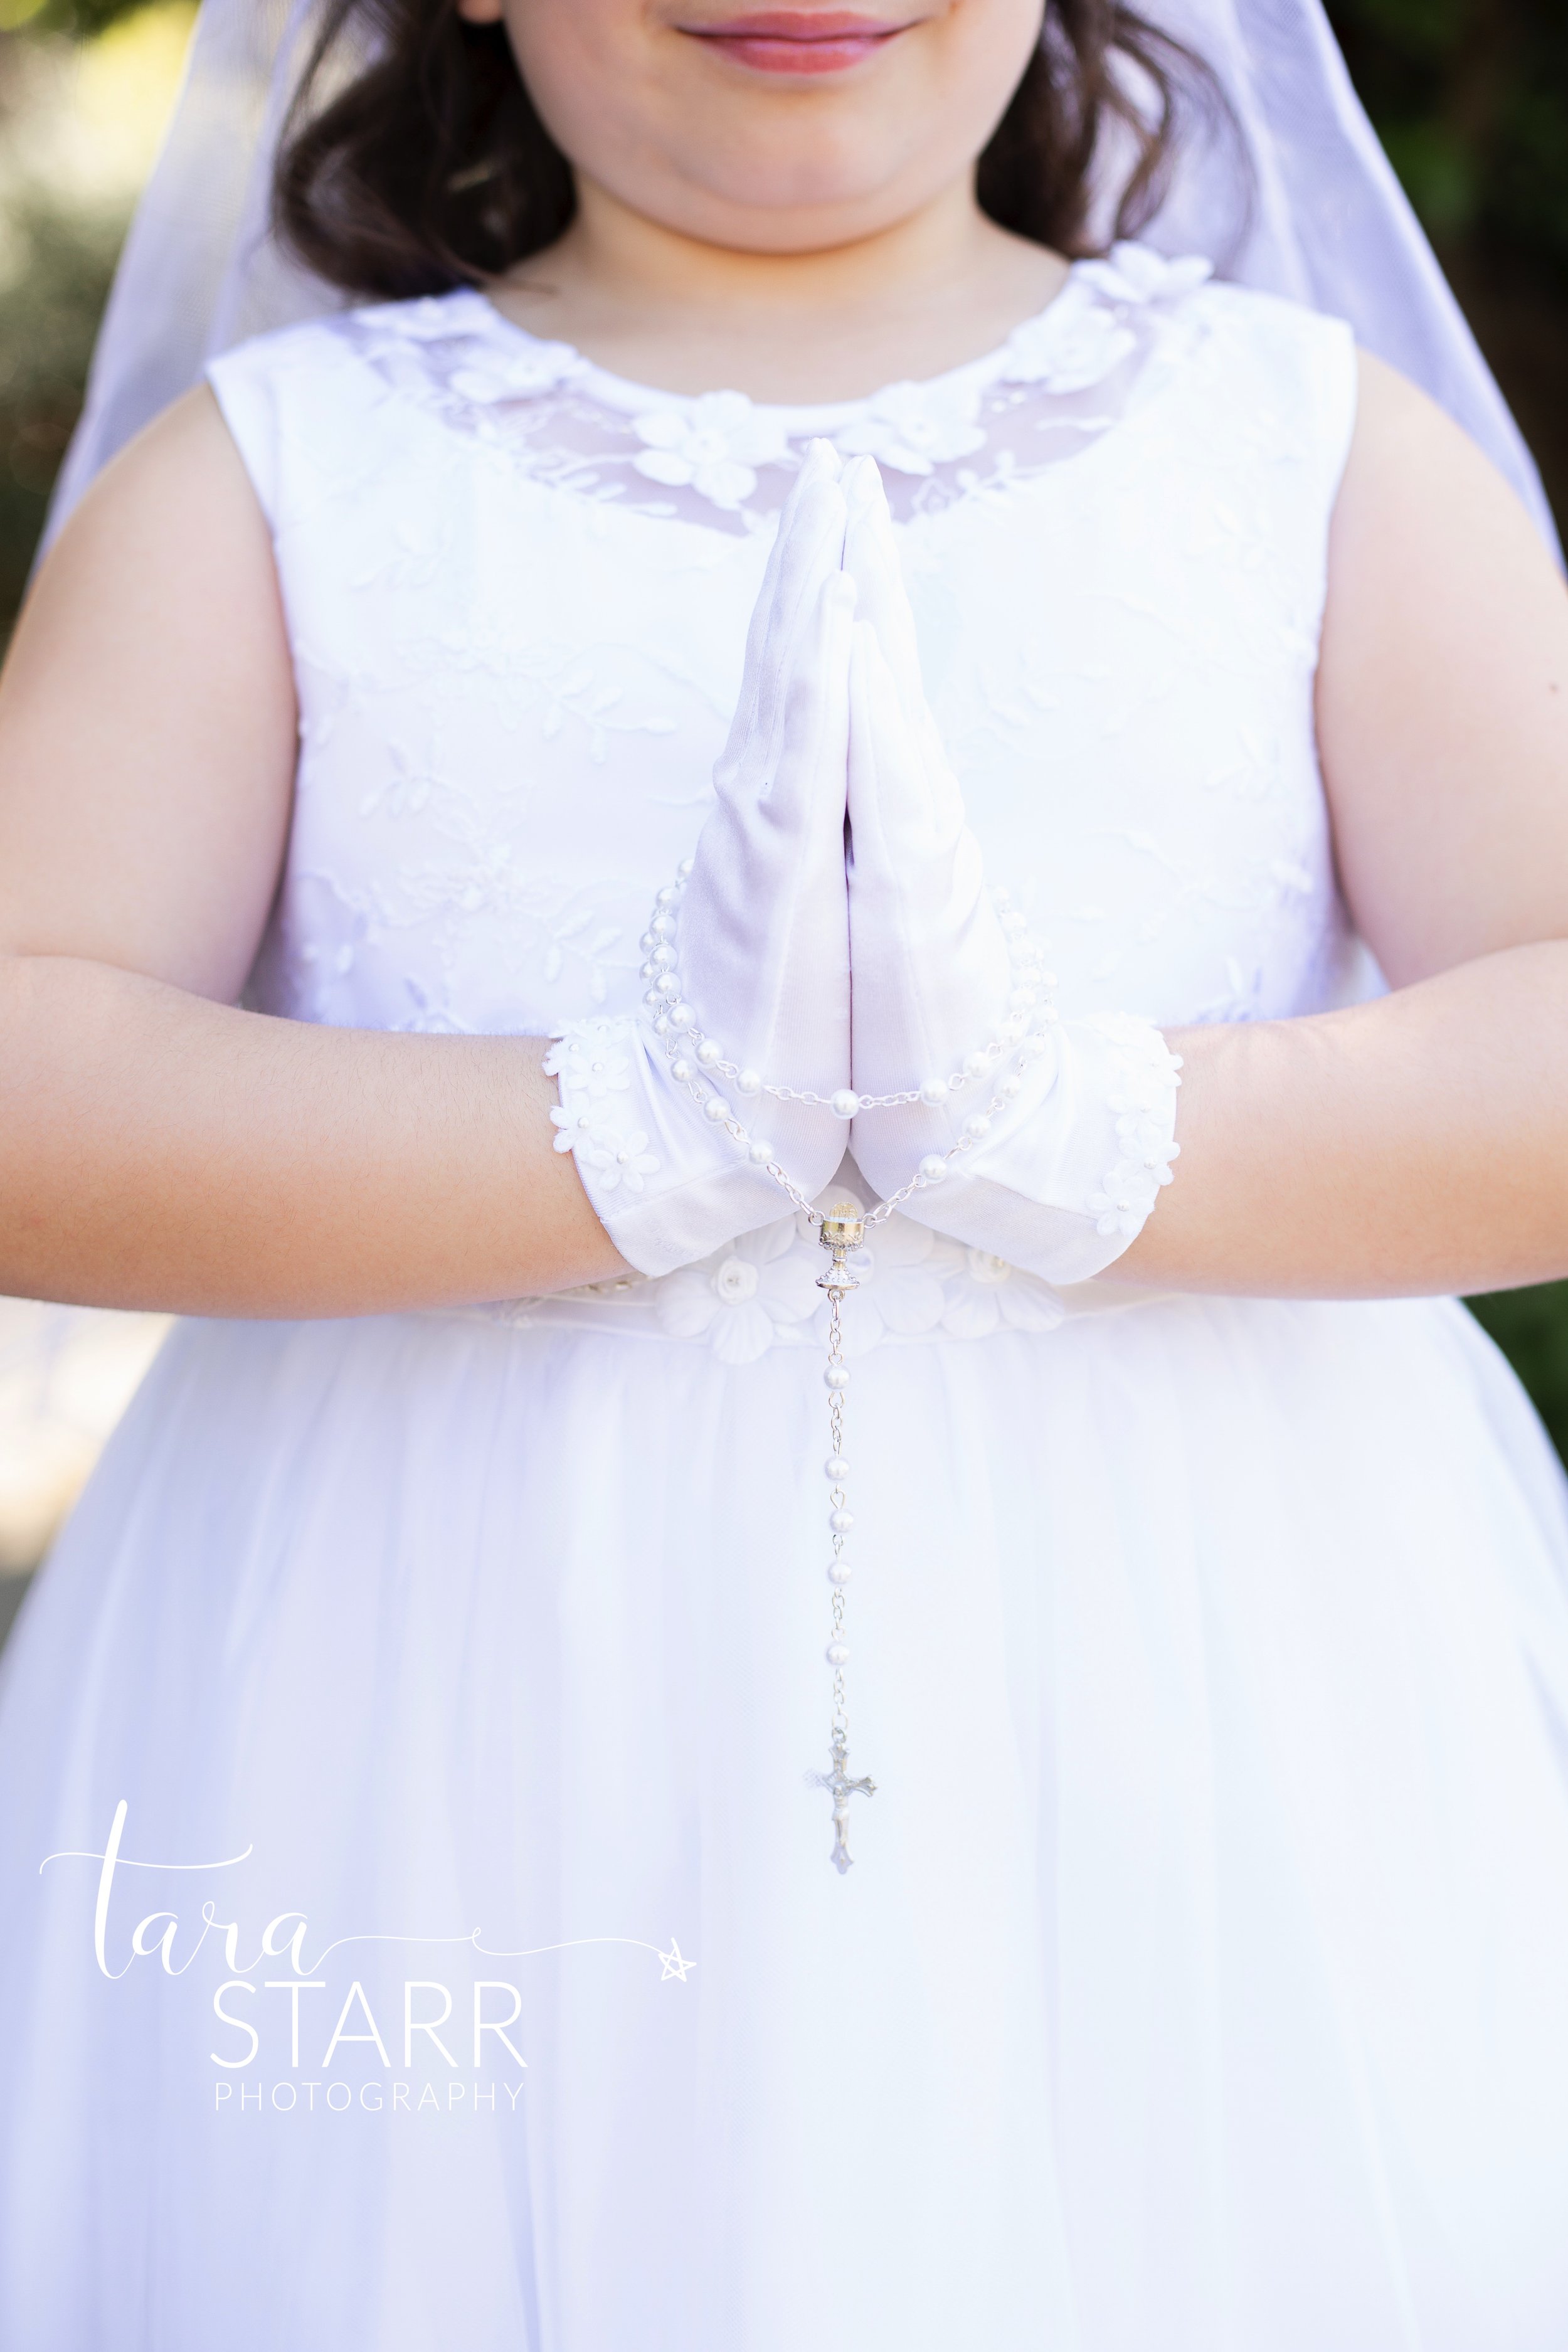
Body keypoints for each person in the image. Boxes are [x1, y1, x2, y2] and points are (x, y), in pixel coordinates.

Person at [1, 0, 1567, 2344]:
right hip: (429, 1731)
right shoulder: (277, 476)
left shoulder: (1306, 441)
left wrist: (1066, 1124)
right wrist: (629, 1129)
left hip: (1212, 1734)